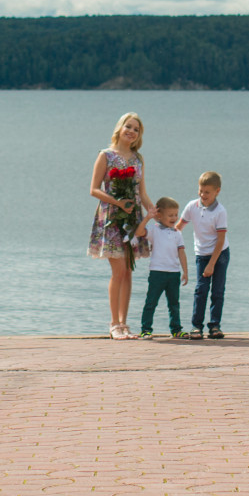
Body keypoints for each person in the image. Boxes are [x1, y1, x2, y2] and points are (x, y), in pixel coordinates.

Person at [88, 111, 154, 339]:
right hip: (111, 217)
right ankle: (114, 324)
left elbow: (141, 193)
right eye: (129, 126)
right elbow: (94, 189)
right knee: (118, 271)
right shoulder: (105, 155)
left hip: (133, 218)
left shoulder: (138, 159)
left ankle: (125, 324)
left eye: (136, 129)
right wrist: (118, 202)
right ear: (120, 128)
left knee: (128, 271)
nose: (132, 132)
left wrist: (152, 212)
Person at [178, 171, 228, 339]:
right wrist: (165, 236)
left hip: (219, 255)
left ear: (217, 191)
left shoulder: (220, 211)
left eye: (207, 192)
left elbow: (220, 241)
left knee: (217, 291)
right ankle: (196, 326)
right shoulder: (192, 206)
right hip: (201, 253)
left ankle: (215, 325)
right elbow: (179, 227)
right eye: (201, 190)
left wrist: (212, 264)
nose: (203, 195)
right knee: (201, 290)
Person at [136, 196, 188, 338]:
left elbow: (181, 253)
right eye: (170, 215)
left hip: (174, 273)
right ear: (159, 215)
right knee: (151, 302)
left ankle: (176, 330)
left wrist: (185, 271)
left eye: (176, 215)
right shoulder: (154, 229)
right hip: (157, 273)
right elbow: (139, 232)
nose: (174, 218)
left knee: (174, 304)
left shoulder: (177, 233)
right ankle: (146, 329)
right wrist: (148, 217)